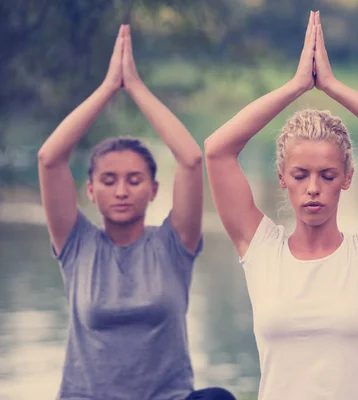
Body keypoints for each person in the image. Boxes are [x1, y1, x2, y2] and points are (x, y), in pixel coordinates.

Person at [204, 10, 358, 400]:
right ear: (281, 178)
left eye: (327, 175)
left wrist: (332, 86)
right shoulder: (261, 250)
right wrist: (295, 86)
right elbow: (217, 150)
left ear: (347, 178)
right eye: (300, 174)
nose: (313, 189)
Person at [37, 25, 235, 400]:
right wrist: (109, 87)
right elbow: (50, 159)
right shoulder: (76, 244)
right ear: (90, 191)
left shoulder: (175, 245)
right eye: (109, 180)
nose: (122, 191)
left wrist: (137, 88)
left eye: (134, 180)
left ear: (154, 189)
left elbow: (191, 159)